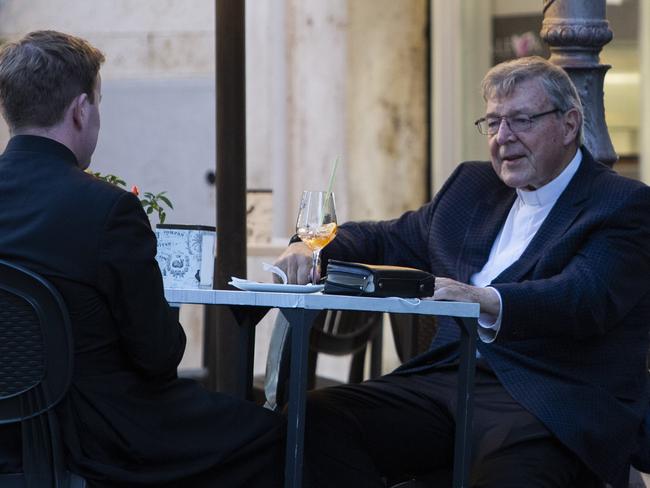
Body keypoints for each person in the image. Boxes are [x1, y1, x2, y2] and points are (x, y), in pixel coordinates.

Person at [274, 56, 650, 487]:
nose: (502, 138)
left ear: (568, 124)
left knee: (509, 476)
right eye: (492, 123)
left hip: (548, 395)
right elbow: (386, 238)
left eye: (521, 120)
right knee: (315, 420)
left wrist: (484, 299)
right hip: (448, 381)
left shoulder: (622, 203)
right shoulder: (471, 188)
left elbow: (585, 298)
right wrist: (309, 247)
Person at [0, 30, 283, 487]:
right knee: (271, 435)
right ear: (81, 109)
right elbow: (158, 357)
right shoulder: (106, 209)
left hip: (7, 439)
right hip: (102, 437)